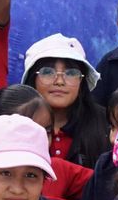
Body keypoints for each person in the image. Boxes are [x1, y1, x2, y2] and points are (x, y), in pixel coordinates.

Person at [22, 33, 112, 169]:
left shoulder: (106, 125)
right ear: (32, 79)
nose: (59, 81)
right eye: (47, 72)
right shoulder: (16, 122)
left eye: (71, 73)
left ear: (82, 81)